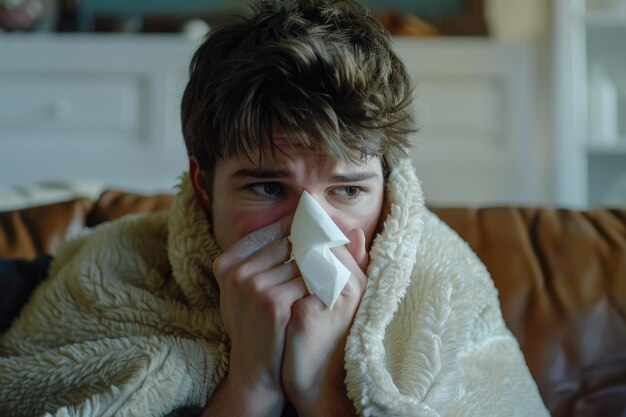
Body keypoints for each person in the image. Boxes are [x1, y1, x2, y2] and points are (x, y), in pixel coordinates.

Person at [0, 1, 549, 416]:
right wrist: (249, 388)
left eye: (348, 191)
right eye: (267, 188)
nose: (310, 229)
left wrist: (325, 393)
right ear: (204, 186)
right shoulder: (108, 277)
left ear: (386, 185)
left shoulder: (444, 294)